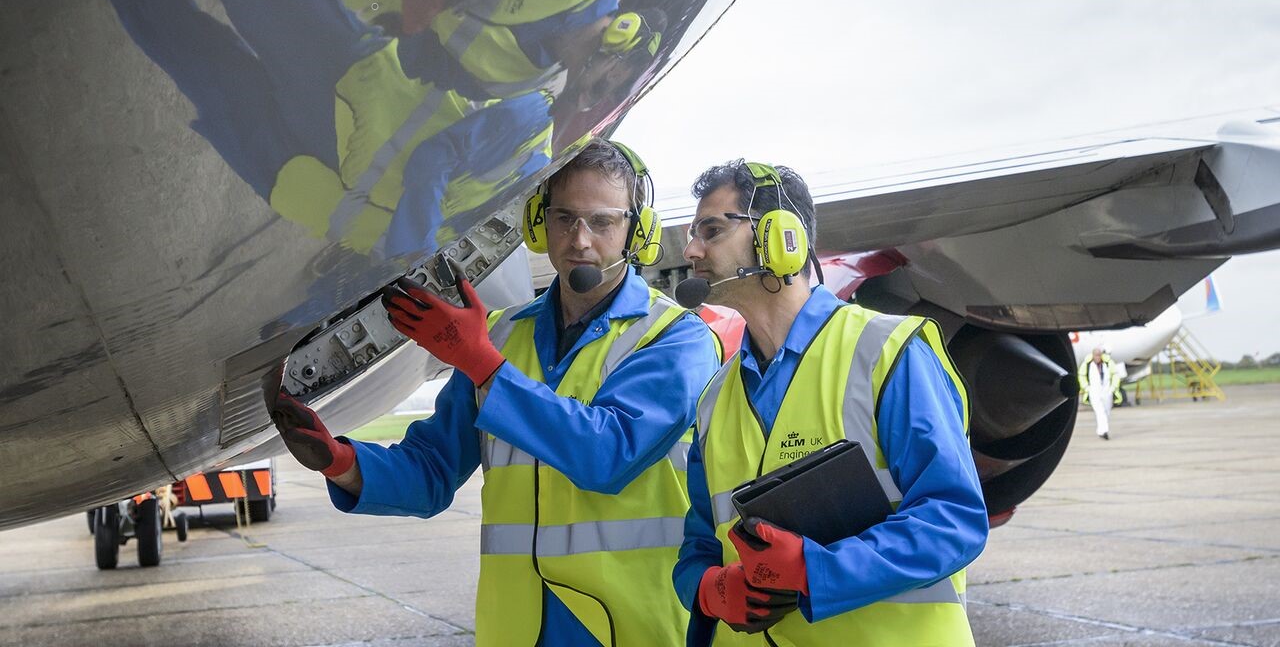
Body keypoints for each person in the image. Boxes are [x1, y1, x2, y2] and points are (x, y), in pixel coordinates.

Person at [271, 139, 722, 647]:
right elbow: (432, 471)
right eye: (563, 218)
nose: (579, 240)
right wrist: (341, 463)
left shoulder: (677, 338)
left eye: (602, 222)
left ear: (636, 232)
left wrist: (480, 363)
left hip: (631, 629)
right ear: (538, 223)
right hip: (518, 630)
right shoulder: (501, 337)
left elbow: (608, 455)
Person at [673, 159, 988, 645]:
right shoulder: (714, 400)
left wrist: (815, 569)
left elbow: (954, 520)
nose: (692, 250)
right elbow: (698, 545)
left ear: (781, 238)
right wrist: (709, 589)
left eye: (711, 230)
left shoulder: (888, 353)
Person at [1078, 346, 1118, 439]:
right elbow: (1081, 376)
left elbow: (1115, 374)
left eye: (1099, 355)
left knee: (1107, 411)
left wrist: (1113, 387)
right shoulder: (1087, 364)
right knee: (1100, 411)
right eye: (1096, 355)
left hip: (1107, 391)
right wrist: (1086, 388)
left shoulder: (1108, 363)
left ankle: (1101, 430)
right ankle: (1104, 431)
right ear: (1092, 355)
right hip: (1094, 392)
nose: (1098, 357)